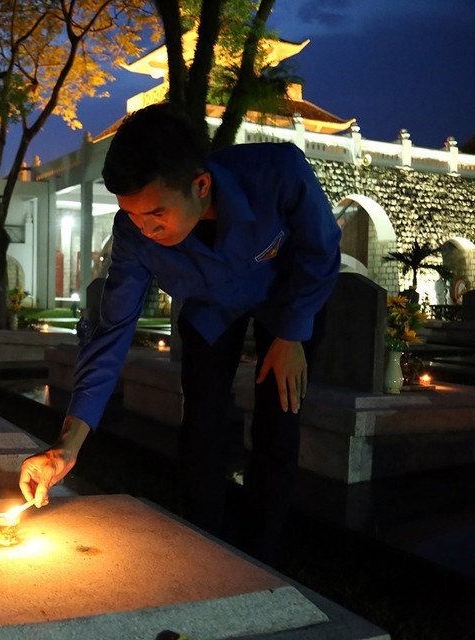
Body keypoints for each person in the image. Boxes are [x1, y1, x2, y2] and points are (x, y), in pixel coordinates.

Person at [19, 103, 341, 563]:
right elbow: (112, 331)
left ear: (201, 184)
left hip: (289, 300)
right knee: (201, 418)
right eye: (133, 217)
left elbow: (322, 250)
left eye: (157, 214)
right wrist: (66, 446)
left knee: (278, 418)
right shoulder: (134, 234)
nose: (147, 230)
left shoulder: (277, 173)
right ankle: (204, 542)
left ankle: (262, 554)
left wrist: (291, 336)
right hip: (210, 308)